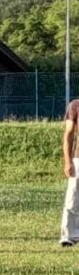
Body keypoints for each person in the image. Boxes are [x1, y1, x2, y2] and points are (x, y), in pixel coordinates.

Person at [61, 95, 79, 245]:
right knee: (72, 197)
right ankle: (69, 235)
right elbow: (68, 134)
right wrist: (68, 161)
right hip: (78, 159)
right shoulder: (75, 106)